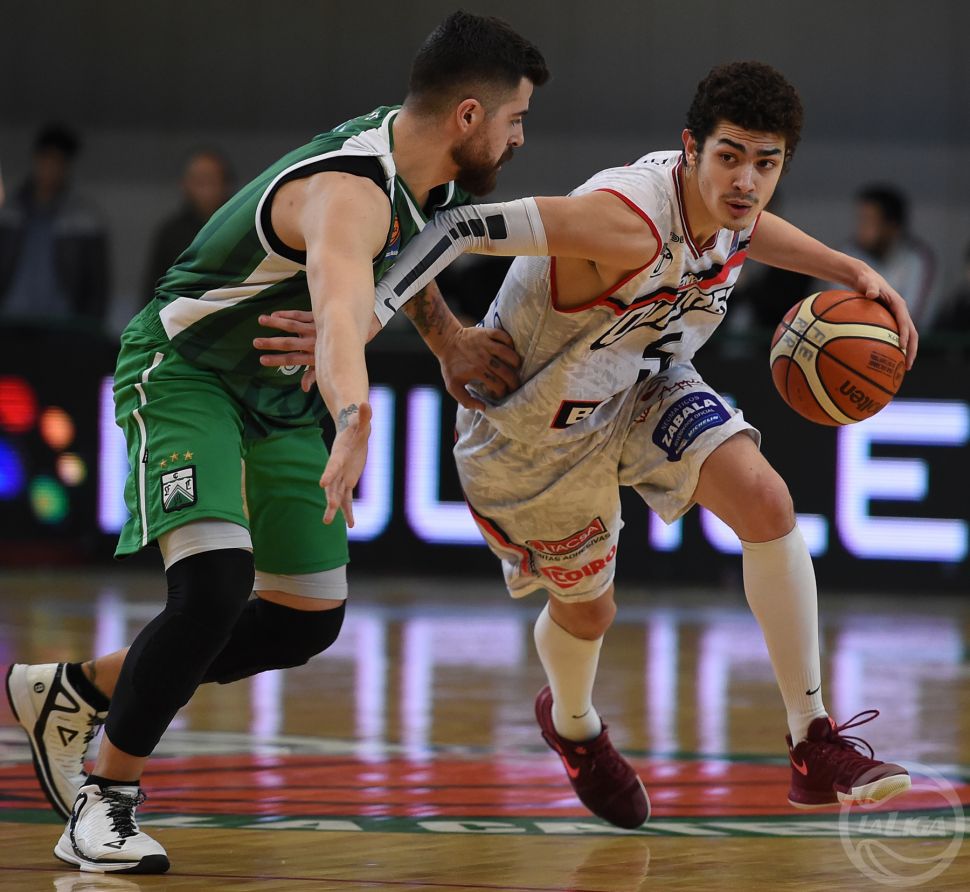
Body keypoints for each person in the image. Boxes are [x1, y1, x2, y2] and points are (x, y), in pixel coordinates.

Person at [255, 61, 919, 830]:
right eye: (730, 156)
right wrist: (371, 324)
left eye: (766, 164)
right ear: (691, 149)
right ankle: (573, 725)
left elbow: (747, 224)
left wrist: (847, 268)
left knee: (767, 502)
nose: (746, 181)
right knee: (590, 614)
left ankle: (812, 739)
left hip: (639, 383)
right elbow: (455, 227)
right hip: (532, 431)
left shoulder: (730, 203)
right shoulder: (622, 222)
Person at [5, 11, 546, 874]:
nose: (521, 138)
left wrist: (447, 338)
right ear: (469, 116)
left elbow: (404, 261)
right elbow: (338, 305)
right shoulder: (350, 191)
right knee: (214, 586)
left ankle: (76, 690)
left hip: (275, 396)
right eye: (515, 119)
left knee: (305, 621)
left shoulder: (430, 177)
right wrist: (355, 418)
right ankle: (104, 801)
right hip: (188, 371)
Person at [0, 124, 110, 326]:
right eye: (47, 160)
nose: (51, 169)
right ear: (36, 160)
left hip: (61, 323)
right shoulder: (10, 212)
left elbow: (97, 285)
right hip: (11, 318)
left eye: (58, 162)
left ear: (67, 167)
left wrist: (90, 327)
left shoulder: (84, 218)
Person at [833, 184, 939, 332]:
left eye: (868, 220)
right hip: (851, 337)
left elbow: (914, 319)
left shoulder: (918, 258)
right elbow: (837, 310)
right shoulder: (848, 252)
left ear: (892, 226)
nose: (861, 227)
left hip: (901, 342)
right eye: (860, 219)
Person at [143, 149, 234, 300]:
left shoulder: (240, 229)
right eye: (199, 181)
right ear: (185, 184)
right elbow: (153, 290)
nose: (206, 189)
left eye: (212, 180)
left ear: (226, 184)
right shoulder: (170, 233)